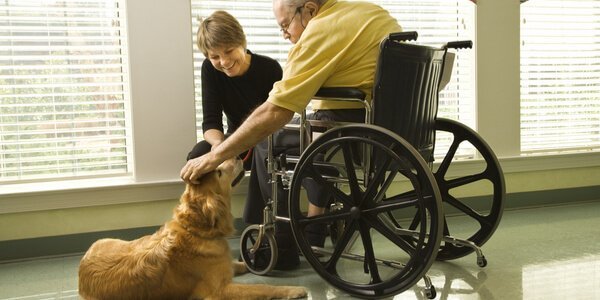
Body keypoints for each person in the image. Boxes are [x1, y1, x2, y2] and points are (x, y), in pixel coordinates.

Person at [181, 0, 402, 270]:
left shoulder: (319, 31)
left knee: (267, 142)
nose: (285, 34)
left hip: (348, 128)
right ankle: (299, 230)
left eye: (286, 25)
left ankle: (278, 244)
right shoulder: (372, 12)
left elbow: (275, 113)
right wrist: (219, 150)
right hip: (387, 129)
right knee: (283, 141)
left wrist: (217, 156)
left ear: (308, 10)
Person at [186, 10, 283, 171]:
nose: (224, 61)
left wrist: (227, 150)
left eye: (229, 51)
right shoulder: (209, 69)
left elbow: (275, 120)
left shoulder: (270, 68)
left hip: (266, 143)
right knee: (198, 154)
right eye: (215, 57)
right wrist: (219, 147)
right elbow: (211, 122)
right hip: (232, 143)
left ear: (242, 42)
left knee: (265, 152)